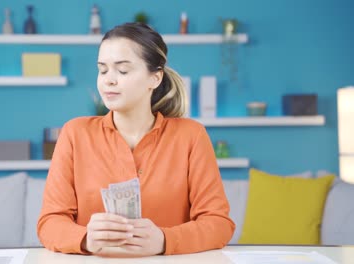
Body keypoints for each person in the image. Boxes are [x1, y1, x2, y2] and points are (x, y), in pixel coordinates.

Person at [37, 22, 235, 257]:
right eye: (102, 70)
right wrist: (85, 239)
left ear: (155, 78)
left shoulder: (191, 136)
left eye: (122, 71)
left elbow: (219, 224)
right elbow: (49, 223)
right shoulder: (75, 133)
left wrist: (164, 240)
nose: (109, 80)